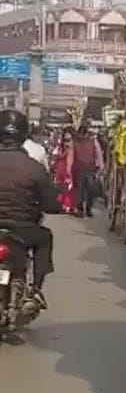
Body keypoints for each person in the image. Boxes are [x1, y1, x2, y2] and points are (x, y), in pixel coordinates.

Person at [0, 109, 61, 306]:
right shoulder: (35, 168)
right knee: (45, 237)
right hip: (23, 231)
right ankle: (35, 291)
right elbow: (51, 205)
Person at [71, 122, 103, 218]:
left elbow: (98, 153)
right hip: (80, 168)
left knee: (88, 189)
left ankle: (86, 209)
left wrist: (99, 165)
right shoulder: (76, 142)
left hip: (87, 167)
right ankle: (81, 208)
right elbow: (71, 155)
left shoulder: (92, 141)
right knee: (82, 189)